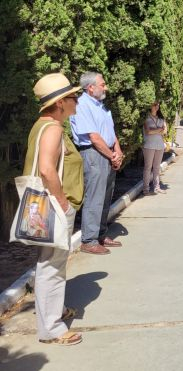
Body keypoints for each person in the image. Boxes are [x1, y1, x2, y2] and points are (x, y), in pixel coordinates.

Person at [26, 73, 84, 345]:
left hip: (43, 207)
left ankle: (54, 310)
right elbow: (48, 170)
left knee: (51, 262)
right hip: (53, 207)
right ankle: (52, 328)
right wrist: (62, 202)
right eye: (74, 97)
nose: (77, 101)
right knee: (52, 266)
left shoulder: (42, 125)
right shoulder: (53, 129)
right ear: (60, 102)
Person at [70, 72, 124, 255]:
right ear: (90, 87)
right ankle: (89, 240)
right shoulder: (82, 105)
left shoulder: (100, 106)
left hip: (107, 153)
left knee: (106, 195)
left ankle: (101, 234)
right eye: (102, 84)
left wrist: (118, 151)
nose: (105, 87)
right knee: (95, 197)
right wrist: (112, 155)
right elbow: (93, 137)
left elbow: (110, 132)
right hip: (94, 154)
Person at [142, 101, 167, 196]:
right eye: (154, 105)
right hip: (149, 145)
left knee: (157, 167)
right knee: (148, 167)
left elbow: (165, 131)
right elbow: (148, 132)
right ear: (150, 106)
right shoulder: (146, 118)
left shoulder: (161, 118)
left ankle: (157, 187)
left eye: (158, 105)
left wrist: (155, 131)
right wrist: (159, 130)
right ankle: (146, 189)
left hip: (160, 146)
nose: (157, 106)